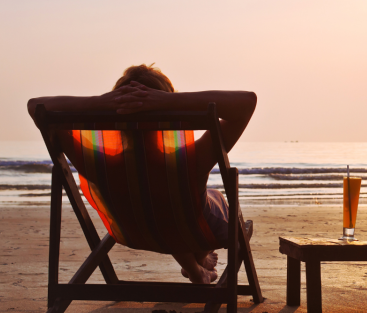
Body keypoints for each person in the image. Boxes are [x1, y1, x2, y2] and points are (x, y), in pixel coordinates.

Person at [27, 64, 257, 284]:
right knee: (209, 199)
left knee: (163, 209)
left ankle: (198, 268)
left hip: (134, 233)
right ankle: (198, 260)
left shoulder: (96, 163)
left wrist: (100, 103)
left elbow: (36, 106)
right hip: (195, 234)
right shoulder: (192, 160)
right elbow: (247, 102)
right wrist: (170, 101)